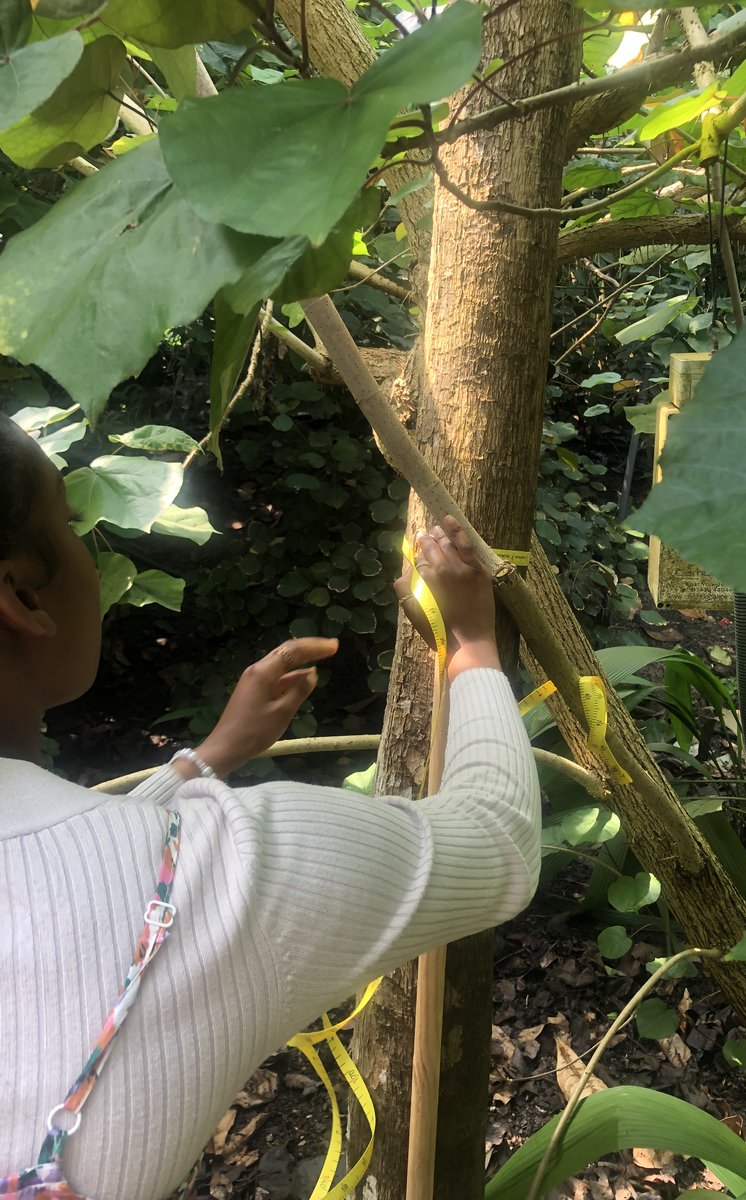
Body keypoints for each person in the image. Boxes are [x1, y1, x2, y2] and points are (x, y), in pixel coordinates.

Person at [0, 413, 540, 1200]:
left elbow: (72, 866)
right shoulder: (234, 868)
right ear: (20, 593)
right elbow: (499, 840)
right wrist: (472, 646)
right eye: (72, 522)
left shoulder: (168, 867)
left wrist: (207, 758)